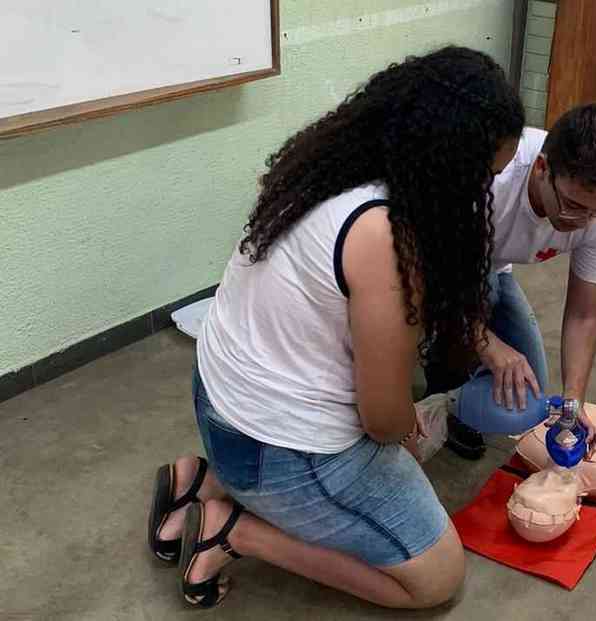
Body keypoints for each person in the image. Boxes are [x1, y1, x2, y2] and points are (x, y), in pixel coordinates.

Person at [146, 46, 525, 609]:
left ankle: (199, 481)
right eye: (484, 176)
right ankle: (232, 530)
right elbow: (381, 418)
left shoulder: (332, 164)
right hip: (277, 451)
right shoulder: (385, 236)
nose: (484, 194)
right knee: (438, 578)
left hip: (217, 402)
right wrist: (409, 433)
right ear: (448, 160)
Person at [425, 103, 596, 460]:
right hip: (435, 270)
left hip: (493, 269)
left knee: (526, 403)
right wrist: (487, 344)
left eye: (595, 211)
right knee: (482, 294)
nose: (583, 222)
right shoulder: (492, 175)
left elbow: (584, 313)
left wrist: (573, 402)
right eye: (572, 205)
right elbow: (426, 276)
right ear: (541, 168)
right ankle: (434, 385)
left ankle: (447, 404)